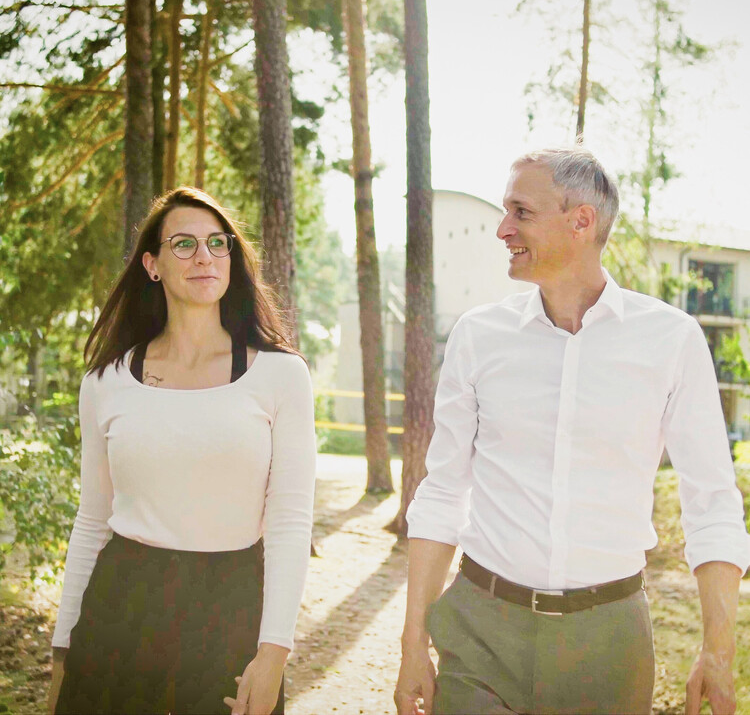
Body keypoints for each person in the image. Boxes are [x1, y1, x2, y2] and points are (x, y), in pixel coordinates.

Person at [394, 148, 750, 715]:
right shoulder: (478, 335)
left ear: (581, 220)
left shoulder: (672, 341)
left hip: (608, 645)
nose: (502, 228)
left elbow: (712, 504)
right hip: (481, 631)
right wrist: (413, 640)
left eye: (521, 212)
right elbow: (442, 491)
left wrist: (718, 650)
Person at [47, 187, 316, 715]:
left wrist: (274, 653)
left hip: (231, 608)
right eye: (184, 244)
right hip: (119, 608)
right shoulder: (105, 381)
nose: (204, 257)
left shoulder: (281, 375)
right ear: (153, 265)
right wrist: (62, 651)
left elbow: (289, 522)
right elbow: (92, 519)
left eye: (218, 243)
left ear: (232, 258)